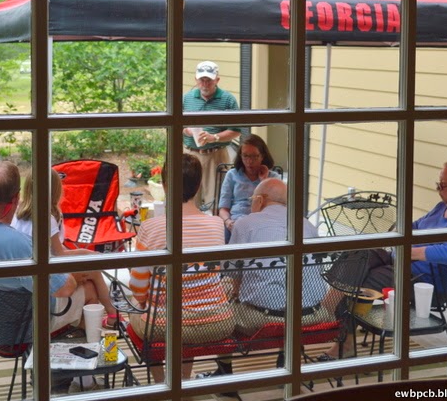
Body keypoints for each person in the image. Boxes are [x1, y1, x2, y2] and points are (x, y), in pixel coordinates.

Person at [319, 160, 447, 360]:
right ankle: (329, 307)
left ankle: (344, 341)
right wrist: (398, 232)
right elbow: (415, 226)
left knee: (368, 280)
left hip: (426, 282)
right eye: (438, 184)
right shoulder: (442, 207)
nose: (437, 189)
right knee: (360, 255)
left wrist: (409, 252)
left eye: (442, 185)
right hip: (402, 264)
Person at [0, 161, 107, 334]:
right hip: (13, 331)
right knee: (89, 289)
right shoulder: (17, 244)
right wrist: (78, 274)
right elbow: (65, 288)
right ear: (16, 199)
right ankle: (90, 335)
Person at [198, 178, 326, 378]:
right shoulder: (307, 225)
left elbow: (231, 273)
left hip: (265, 319)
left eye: (252, 200)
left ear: (260, 199)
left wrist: (235, 293)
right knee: (289, 289)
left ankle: (223, 371)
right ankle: (286, 360)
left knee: (223, 299)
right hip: (311, 316)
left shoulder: (246, 224)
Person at [127, 154, 234, 383]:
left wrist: (142, 302)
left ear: (165, 185)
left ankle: (161, 386)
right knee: (191, 302)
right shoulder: (216, 224)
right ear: (198, 185)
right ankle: (183, 383)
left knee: (135, 304)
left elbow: (138, 287)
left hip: (164, 325)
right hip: (216, 321)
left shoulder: (151, 228)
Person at [11, 169, 120, 329]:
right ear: (55, 190)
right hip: (48, 276)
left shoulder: (18, 215)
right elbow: (59, 254)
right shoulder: (46, 218)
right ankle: (112, 315)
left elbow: (55, 250)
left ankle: (88, 324)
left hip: (28, 280)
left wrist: (83, 254)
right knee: (94, 272)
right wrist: (86, 253)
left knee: (90, 285)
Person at [183, 60, 242, 208]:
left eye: (209, 80)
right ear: (196, 80)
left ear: (217, 80)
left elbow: (236, 130)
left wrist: (214, 137)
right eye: (201, 80)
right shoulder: (186, 99)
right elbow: (177, 125)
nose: (205, 84)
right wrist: (187, 131)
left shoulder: (228, 100)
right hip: (190, 155)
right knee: (188, 199)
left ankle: (215, 222)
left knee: (216, 200)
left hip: (216, 155)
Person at [218, 134, 280, 242]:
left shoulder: (273, 177)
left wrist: (264, 181)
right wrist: (228, 222)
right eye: (245, 156)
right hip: (235, 221)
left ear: (262, 156)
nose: (249, 161)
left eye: (254, 156)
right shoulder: (232, 175)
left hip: (262, 223)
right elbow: (223, 208)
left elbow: (276, 208)